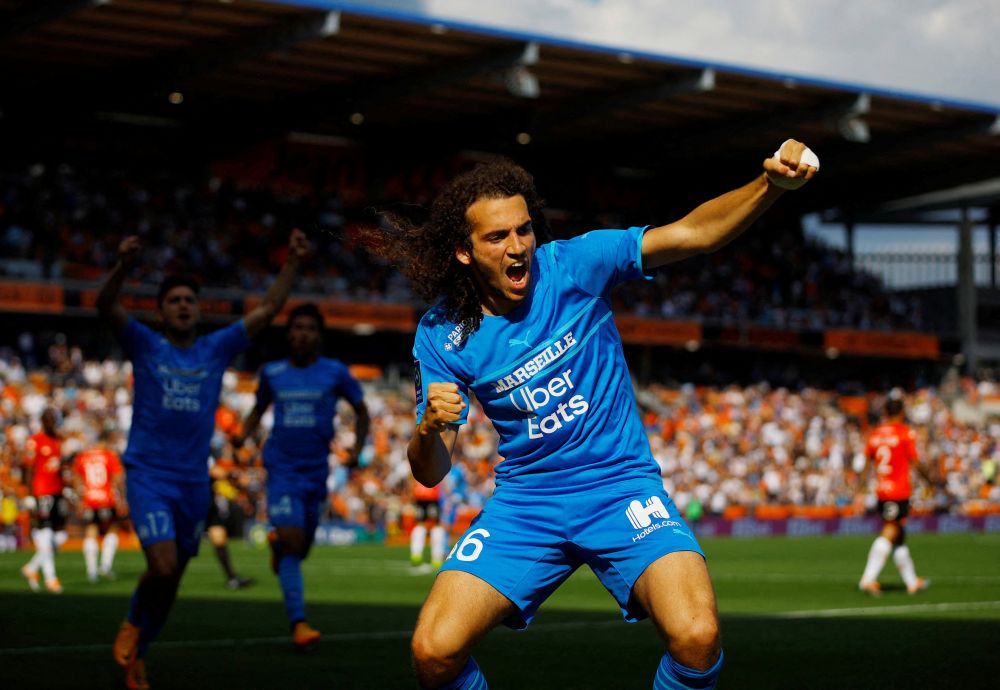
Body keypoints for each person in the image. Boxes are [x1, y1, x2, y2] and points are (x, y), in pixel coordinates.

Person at [373, 142, 818, 689]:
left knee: (697, 637)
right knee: (433, 652)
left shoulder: (578, 264)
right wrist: (429, 429)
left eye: (524, 230)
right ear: (464, 252)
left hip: (620, 489)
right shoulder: (443, 334)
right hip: (527, 506)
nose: (518, 246)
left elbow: (692, 234)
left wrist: (770, 185)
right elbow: (430, 471)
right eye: (497, 236)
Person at [98, 229, 309, 690]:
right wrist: (123, 267)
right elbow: (105, 306)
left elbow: (267, 311)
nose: (183, 306)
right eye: (173, 300)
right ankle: (132, 622)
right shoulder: (145, 344)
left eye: (189, 300)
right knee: (162, 566)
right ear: (161, 311)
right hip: (149, 475)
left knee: (172, 579)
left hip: (194, 483)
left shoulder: (215, 348)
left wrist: (293, 262)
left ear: (198, 309)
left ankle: (140, 653)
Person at [236, 302, 370, 650]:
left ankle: (279, 546)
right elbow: (258, 409)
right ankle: (299, 623)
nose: (303, 334)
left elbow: (361, 410)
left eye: (310, 328)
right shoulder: (272, 372)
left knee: (300, 548)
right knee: (295, 543)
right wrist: (242, 435)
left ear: (319, 336)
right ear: (288, 334)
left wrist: (357, 449)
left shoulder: (335, 372)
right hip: (281, 470)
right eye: (297, 328)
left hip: (316, 471)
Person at [857, 394, 935, 596]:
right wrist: (930, 480)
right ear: (902, 412)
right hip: (898, 491)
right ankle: (867, 579)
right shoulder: (905, 433)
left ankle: (912, 582)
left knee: (899, 535)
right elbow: (915, 462)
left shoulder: (875, 434)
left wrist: (860, 488)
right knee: (891, 530)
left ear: (885, 412)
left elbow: (867, 464)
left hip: (882, 490)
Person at [20, 408, 69, 594]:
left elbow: (59, 467)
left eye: (53, 419)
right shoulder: (35, 441)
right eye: (49, 419)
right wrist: (29, 494)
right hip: (42, 492)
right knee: (46, 533)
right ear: (43, 421)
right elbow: (28, 468)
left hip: (57, 491)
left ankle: (32, 567)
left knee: (61, 535)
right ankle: (50, 578)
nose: (52, 423)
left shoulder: (57, 441)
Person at [73, 432, 126, 582]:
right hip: (106, 499)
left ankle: (92, 572)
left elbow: (76, 479)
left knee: (91, 531)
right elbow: (118, 478)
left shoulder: (83, 456)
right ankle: (105, 566)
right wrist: (122, 499)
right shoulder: (109, 455)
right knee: (112, 529)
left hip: (89, 499)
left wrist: (80, 500)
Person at [206, 454, 256, 590]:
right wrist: (236, 475)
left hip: (207, 502)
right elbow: (214, 471)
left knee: (219, 537)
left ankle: (232, 578)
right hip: (193, 500)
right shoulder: (195, 450)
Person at [410, 478, 447, 569]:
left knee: (420, 525)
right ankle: (437, 558)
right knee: (436, 526)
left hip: (419, 494)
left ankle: (416, 554)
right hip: (432, 494)